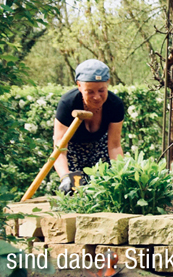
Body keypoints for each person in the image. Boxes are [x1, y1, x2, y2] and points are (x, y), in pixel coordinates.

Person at [53, 59, 125, 194]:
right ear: (79, 86)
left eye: (101, 90)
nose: (97, 97)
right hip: (73, 153)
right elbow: (59, 149)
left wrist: (122, 174)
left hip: (101, 149)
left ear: (108, 83)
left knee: (105, 192)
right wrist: (65, 177)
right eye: (90, 92)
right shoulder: (67, 104)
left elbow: (114, 146)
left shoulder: (115, 105)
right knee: (76, 192)